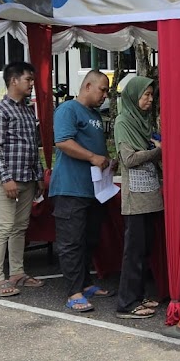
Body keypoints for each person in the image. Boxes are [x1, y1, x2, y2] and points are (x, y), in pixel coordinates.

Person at [51, 70, 113, 313]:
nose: (105, 95)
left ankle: (85, 283)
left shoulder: (94, 114)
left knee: (89, 238)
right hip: (70, 188)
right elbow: (63, 141)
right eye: (102, 90)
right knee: (71, 241)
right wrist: (93, 157)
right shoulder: (68, 109)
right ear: (87, 86)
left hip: (93, 189)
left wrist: (106, 160)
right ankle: (73, 292)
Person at [0, 62, 45, 297]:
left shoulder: (27, 110)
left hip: (28, 177)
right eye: (28, 79)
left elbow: (32, 147)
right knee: (4, 227)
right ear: (13, 81)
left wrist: (39, 176)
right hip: (7, 179)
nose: (31, 84)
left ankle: (17, 273)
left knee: (20, 227)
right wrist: (6, 178)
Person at [114, 76, 163, 319]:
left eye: (152, 95)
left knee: (144, 249)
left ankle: (139, 295)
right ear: (133, 96)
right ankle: (127, 303)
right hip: (135, 196)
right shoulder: (123, 122)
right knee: (133, 252)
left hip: (150, 192)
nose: (150, 99)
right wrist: (157, 151)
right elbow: (129, 159)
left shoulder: (143, 121)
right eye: (146, 95)